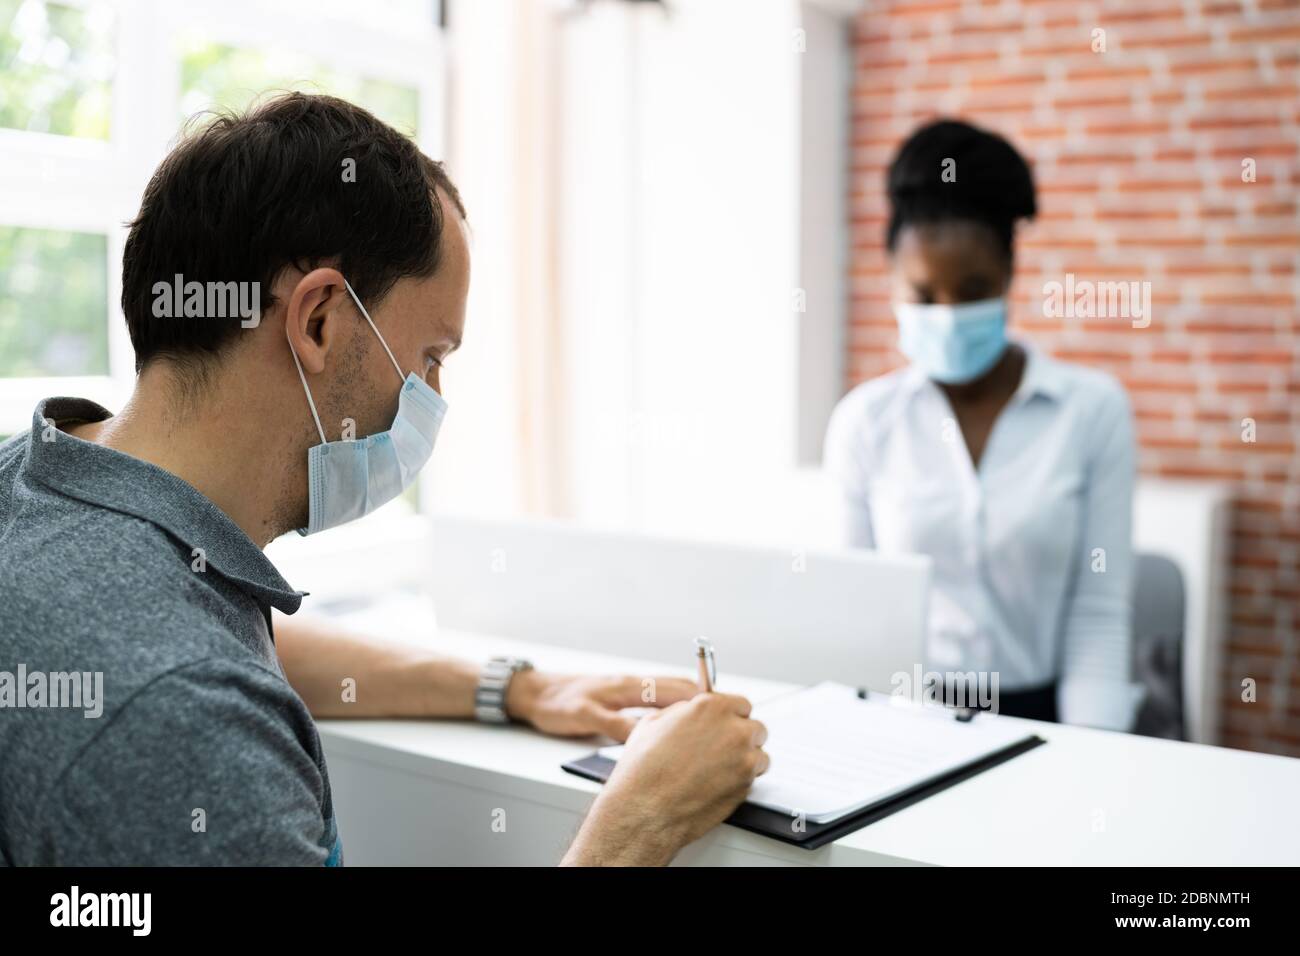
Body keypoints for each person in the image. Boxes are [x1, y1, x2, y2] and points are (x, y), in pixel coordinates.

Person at [0, 93, 768, 867]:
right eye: (433, 356)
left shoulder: (40, 484)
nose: (435, 395)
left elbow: (222, 640)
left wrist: (519, 688)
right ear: (320, 320)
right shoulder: (185, 725)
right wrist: (640, 823)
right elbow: (187, 676)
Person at [824, 119, 1142, 730]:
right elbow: (854, 628)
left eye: (971, 291)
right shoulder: (865, 423)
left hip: (1046, 719)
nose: (947, 315)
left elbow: (1098, 616)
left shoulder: (1091, 411)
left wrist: (1093, 767)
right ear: (891, 282)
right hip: (905, 720)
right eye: (923, 295)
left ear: (1008, 276)